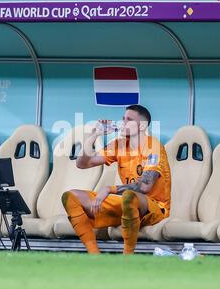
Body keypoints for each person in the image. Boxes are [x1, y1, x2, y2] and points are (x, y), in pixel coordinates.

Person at [61, 104, 171, 254]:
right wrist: (94, 135)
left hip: (154, 208)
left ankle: (127, 257)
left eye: (129, 120)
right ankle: (94, 254)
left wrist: (109, 189)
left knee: (129, 197)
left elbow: (145, 186)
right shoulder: (119, 145)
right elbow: (82, 163)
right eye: (123, 119)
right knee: (71, 197)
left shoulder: (154, 147)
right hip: (127, 205)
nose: (123, 123)